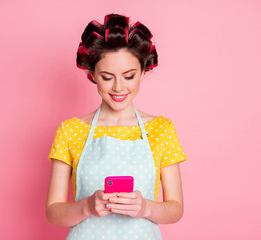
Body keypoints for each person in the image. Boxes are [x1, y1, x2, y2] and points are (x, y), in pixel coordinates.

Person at [46, 13, 187, 240]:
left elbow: (175, 208)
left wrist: (145, 208)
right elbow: (53, 212)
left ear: (142, 72)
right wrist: (87, 206)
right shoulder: (70, 130)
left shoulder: (162, 129)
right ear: (92, 75)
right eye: (107, 77)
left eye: (129, 76)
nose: (119, 87)